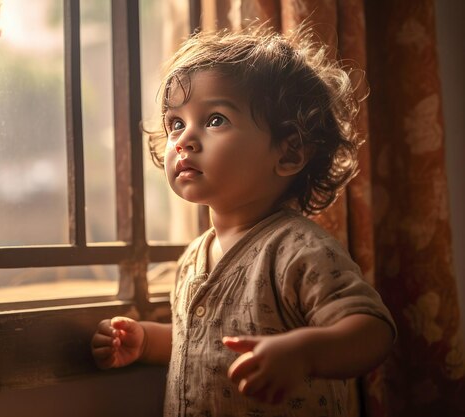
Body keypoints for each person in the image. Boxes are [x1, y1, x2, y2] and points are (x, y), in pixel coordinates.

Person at [91, 24, 396, 417]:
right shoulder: (193, 258)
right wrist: (146, 342)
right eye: (176, 123)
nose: (184, 139)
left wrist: (303, 353)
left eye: (215, 120)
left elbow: (373, 331)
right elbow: (205, 344)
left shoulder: (299, 251)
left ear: (289, 153)